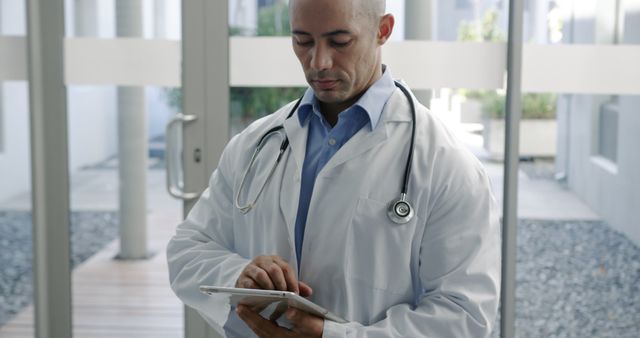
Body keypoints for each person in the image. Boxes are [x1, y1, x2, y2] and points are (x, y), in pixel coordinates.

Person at [167, 0, 501, 337]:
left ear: (382, 30)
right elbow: (187, 250)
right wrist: (239, 276)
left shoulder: (448, 165)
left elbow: (464, 317)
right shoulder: (255, 144)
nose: (319, 62)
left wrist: (332, 335)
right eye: (303, 41)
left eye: (340, 42)